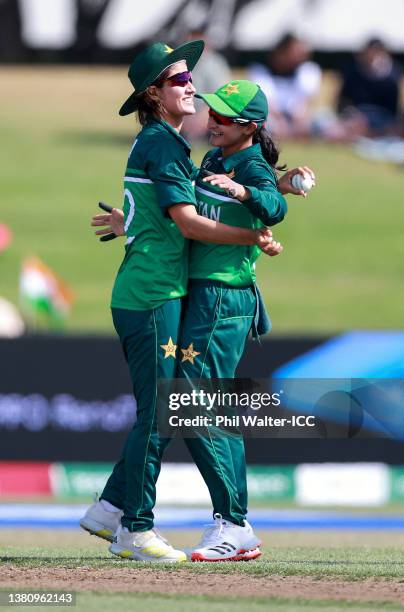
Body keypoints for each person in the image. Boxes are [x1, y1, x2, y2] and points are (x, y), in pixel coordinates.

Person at [87, 77, 314, 562]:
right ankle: (116, 504)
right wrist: (135, 222)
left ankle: (234, 523)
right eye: (212, 111)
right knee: (183, 403)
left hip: (222, 298)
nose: (212, 119)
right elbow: (182, 209)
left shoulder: (247, 163)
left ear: (249, 126)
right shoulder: (213, 159)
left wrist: (257, 195)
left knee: (192, 402)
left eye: (224, 117)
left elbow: (272, 209)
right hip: (200, 293)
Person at [248, 33, 321, 139]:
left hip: (298, 120)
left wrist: (299, 121)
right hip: (273, 119)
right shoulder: (260, 70)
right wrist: (280, 122)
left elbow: (304, 102)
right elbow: (267, 102)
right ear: (281, 52)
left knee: (322, 120)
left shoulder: (307, 70)